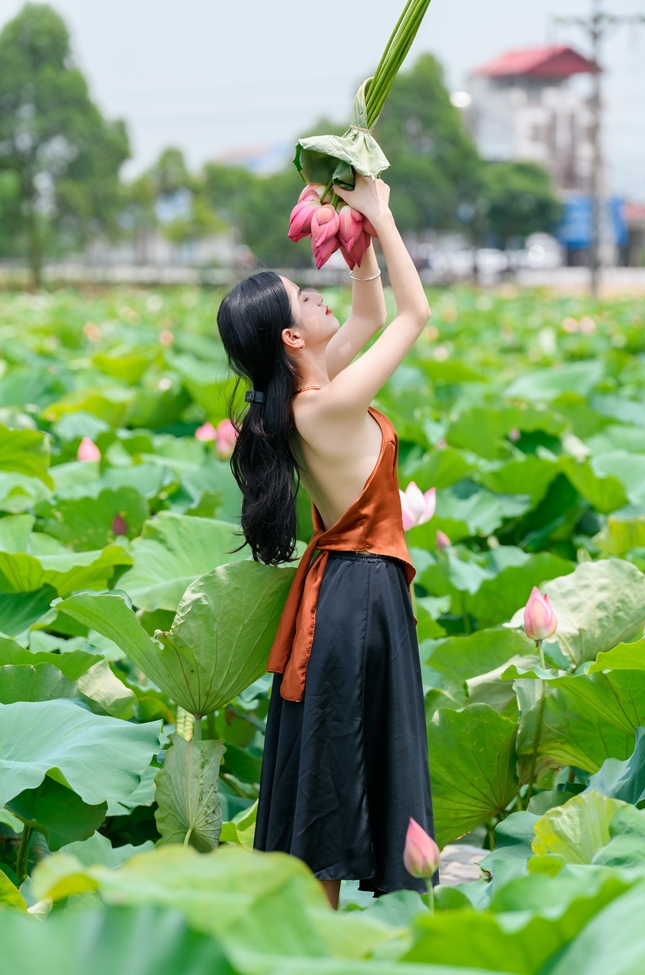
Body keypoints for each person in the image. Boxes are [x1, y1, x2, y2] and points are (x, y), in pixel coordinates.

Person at [216, 175, 435, 909]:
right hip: (359, 601)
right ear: (289, 335)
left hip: (347, 594)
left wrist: (360, 238)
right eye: (303, 297)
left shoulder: (306, 395)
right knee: (334, 792)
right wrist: (384, 214)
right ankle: (314, 948)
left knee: (332, 779)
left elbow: (370, 307)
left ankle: (311, 945)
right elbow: (415, 314)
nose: (319, 295)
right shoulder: (330, 404)